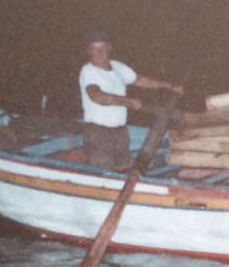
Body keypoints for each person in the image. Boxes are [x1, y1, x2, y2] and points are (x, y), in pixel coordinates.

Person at [79, 29, 185, 170]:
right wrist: (127, 102)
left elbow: (141, 80)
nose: (99, 52)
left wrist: (170, 86)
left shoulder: (118, 67)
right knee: (103, 173)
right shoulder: (88, 71)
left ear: (109, 48)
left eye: (103, 48)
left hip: (120, 133)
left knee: (124, 169)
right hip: (98, 134)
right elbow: (97, 97)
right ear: (88, 51)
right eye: (95, 49)